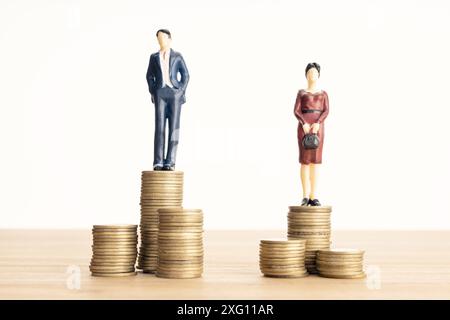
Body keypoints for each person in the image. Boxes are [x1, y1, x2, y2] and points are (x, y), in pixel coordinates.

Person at [146, 29, 190, 171]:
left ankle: (170, 161)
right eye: (158, 38)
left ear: (170, 39)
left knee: (174, 127)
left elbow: (186, 75)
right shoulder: (153, 57)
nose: (161, 41)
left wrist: (180, 91)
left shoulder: (177, 56)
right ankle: (158, 161)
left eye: (163, 38)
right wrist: (154, 91)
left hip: (174, 94)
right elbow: (149, 76)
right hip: (160, 93)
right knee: (159, 128)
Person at [294, 62, 329, 206]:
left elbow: (326, 111)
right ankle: (305, 196)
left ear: (319, 75)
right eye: (309, 72)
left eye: (314, 72)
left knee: (316, 162)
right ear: (306, 75)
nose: (312, 75)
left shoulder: (323, 94)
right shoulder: (301, 93)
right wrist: (304, 123)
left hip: (318, 128)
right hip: (304, 128)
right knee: (305, 161)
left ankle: (314, 196)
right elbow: (296, 111)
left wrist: (318, 123)